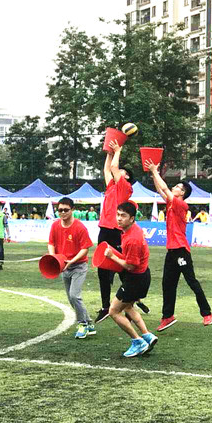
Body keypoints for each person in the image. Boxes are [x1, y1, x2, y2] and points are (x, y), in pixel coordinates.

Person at [146, 161, 212, 331]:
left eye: (177, 187)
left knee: (191, 281)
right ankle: (167, 316)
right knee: (167, 284)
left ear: (182, 193)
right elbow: (160, 190)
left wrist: (155, 171)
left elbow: (165, 189)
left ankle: (207, 313)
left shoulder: (181, 204)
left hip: (181, 250)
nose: (173, 187)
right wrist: (153, 174)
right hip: (171, 251)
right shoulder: (171, 203)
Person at [103, 202, 158, 357]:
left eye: (123, 216)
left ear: (132, 218)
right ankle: (147, 335)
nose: (119, 218)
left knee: (113, 311)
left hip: (135, 279)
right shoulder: (133, 230)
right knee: (127, 307)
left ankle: (138, 342)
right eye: (118, 214)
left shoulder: (132, 239)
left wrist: (112, 256)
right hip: (142, 276)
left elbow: (130, 266)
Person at [94, 139, 136, 324]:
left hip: (116, 232)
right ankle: (105, 306)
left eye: (123, 172)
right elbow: (107, 169)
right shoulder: (111, 187)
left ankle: (130, 302)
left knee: (122, 269)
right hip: (104, 230)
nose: (120, 172)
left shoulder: (126, 188)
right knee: (102, 269)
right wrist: (109, 153)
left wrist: (118, 150)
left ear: (127, 178)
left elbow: (113, 167)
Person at [48, 197, 95, 339]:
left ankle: (82, 324)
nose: (62, 213)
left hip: (78, 266)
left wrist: (72, 261)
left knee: (74, 295)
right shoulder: (55, 225)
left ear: (72, 210)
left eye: (66, 210)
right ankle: (89, 322)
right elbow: (51, 243)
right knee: (71, 298)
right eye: (60, 210)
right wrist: (53, 258)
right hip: (64, 266)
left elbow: (85, 248)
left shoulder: (79, 227)